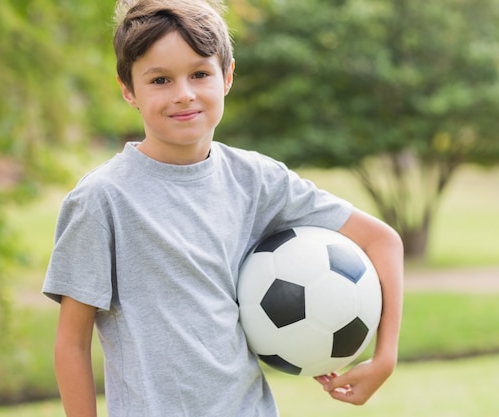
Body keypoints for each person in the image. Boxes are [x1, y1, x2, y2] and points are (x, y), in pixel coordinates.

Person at [42, 0, 404, 416]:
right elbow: (71, 344)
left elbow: (383, 241)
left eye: (200, 74)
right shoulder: (102, 199)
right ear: (129, 90)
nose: (184, 94)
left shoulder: (258, 181)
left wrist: (385, 355)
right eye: (160, 80)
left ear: (227, 76)